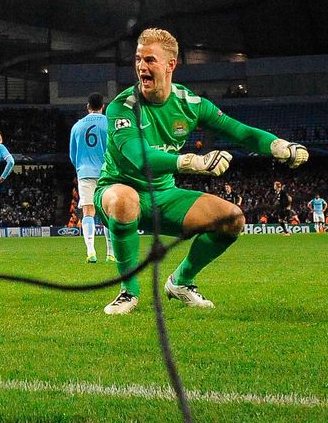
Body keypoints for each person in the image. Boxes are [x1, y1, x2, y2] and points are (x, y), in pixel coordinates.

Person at [95, 28, 308, 315]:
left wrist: (278, 145)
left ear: (171, 65)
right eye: (137, 59)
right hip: (117, 190)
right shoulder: (123, 106)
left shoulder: (190, 104)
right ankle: (128, 292)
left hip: (164, 195)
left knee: (232, 219)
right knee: (125, 199)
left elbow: (239, 131)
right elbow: (139, 158)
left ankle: (181, 282)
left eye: (149, 60)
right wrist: (192, 162)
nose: (141, 67)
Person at [69, 92, 115, 263]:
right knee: (108, 213)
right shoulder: (109, 124)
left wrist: (81, 168)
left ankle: (91, 252)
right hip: (107, 173)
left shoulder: (77, 126)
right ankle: (110, 253)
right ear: (103, 107)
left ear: (88, 107)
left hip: (85, 173)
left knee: (88, 212)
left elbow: (73, 155)